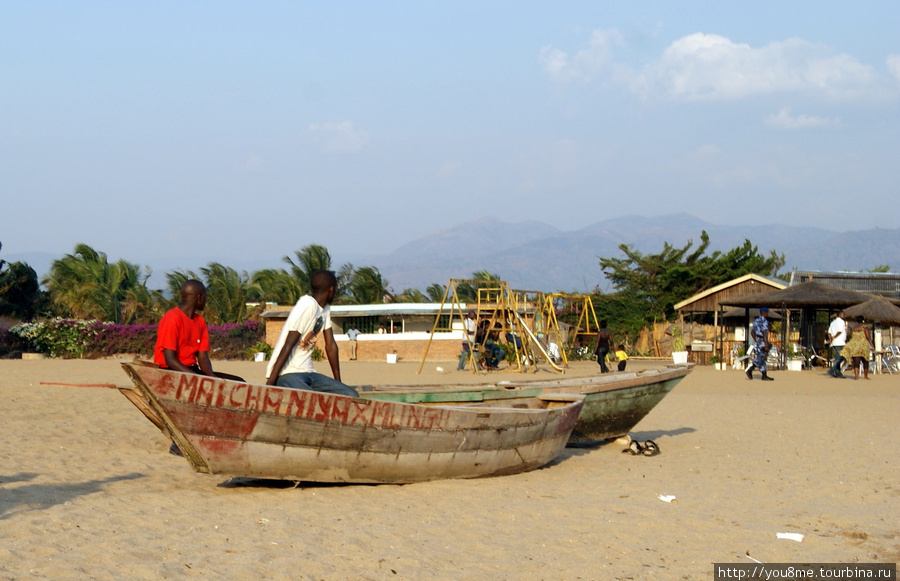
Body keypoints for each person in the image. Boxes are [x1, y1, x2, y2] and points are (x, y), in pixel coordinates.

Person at [154, 279, 243, 456]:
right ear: (199, 297)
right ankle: (178, 443)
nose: (206, 301)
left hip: (191, 368)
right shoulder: (172, 318)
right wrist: (197, 379)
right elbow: (169, 358)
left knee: (238, 382)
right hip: (172, 371)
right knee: (196, 395)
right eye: (205, 297)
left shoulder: (199, 321)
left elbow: (203, 356)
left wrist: (212, 378)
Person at [265, 270, 359, 397]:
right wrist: (270, 383)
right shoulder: (308, 305)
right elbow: (288, 345)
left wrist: (338, 383)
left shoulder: (324, 309)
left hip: (309, 373)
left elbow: (330, 345)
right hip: (287, 374)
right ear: (331, 289)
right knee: (312, 398)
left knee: (351, 395)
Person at [746, 307, 774, 381]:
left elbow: (752, 332)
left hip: (758, 340)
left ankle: (764, 375)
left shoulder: (756, 321)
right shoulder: (764, 321)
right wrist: (766, 343)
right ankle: (750, 369)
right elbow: (764, 333)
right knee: (761, 357)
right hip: (762, 340)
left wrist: (756, 340)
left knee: (763, 358)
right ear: (765, 313)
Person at [842, 316, 874, 380]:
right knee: (865, 362)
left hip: (854, 346)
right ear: (863, 321)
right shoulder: (865, 328)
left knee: (856, 362)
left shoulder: (854, 328)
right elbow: (868, 337)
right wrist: (872, 345)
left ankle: (856, 376)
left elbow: (852, 337)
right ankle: (865, 376)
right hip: (863, 346)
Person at [827, 310, 847, 378]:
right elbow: (840, 331)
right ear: (839, 315)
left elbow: (829, 332)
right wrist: (834, 337)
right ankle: (833, 369)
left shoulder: (833, 322)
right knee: (842, 356)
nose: (844, 316)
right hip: (840, 342)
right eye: (843, 314)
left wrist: (831, 339)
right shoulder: (841, 322)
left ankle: (837, 372)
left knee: (837, 357)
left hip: (834, 343)